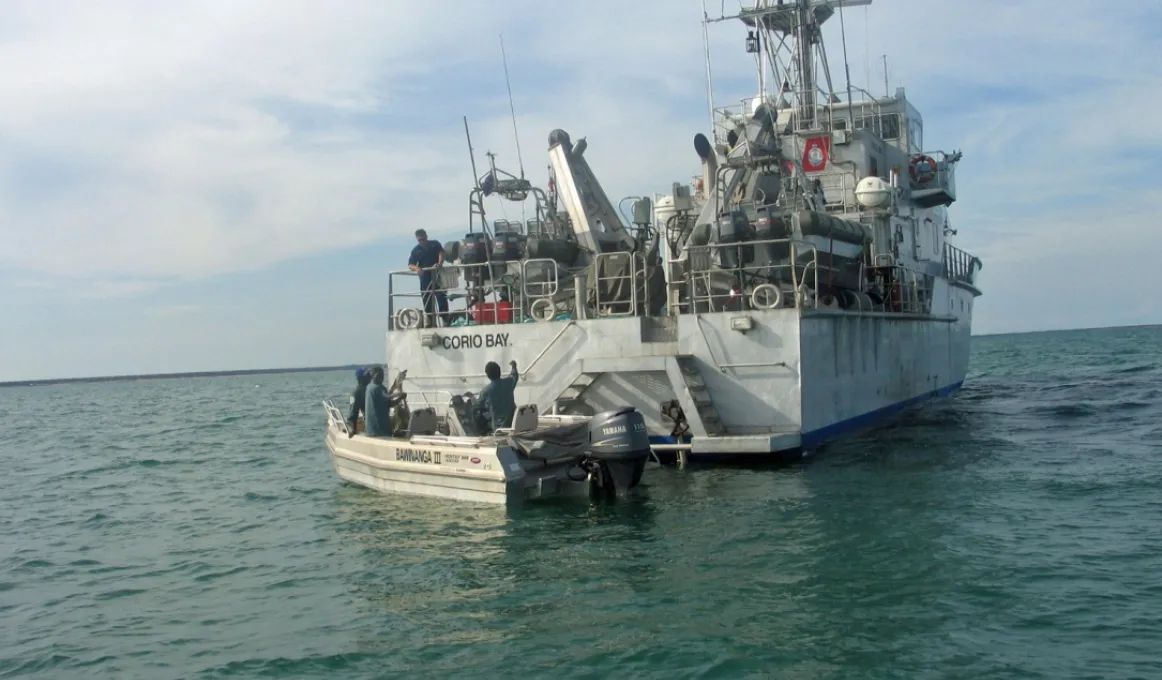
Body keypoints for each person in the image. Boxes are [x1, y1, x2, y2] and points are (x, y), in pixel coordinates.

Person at [408, 228, 448, 327]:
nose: (422, 241)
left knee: (441, 297)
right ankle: (430, 321)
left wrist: (439, 263)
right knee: (427, 298)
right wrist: (417, 268)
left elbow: (441, 252)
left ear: (426, 236)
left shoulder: (435, 244)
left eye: (423, 239)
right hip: (425, 276)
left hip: (437, 274)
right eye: (420, 240)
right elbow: (410, 264)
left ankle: (445, 320)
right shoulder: (416, 250)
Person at [472, 360, 519, 434]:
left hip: (500, 428)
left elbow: (477, 404)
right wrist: (514, 366)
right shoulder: (509, 382)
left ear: (488, 375)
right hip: (513, 423)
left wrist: (471, 397)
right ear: (499, 372)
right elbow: (514, 375)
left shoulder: (486, 391)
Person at [363, 366, 405, 437]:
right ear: (377, 375)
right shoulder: (376, 388)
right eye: (381, 375)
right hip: (379, 430)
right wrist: (400, 395)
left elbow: (387, 402)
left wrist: (395, 389)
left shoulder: (369, 386)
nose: (382, 377)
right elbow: (389, 397)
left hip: (370, 430)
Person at [346, 367, 372, 434]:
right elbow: (352, 413)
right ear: (360, 378)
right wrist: (354, 429)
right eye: (367, 375)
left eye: (369, 374)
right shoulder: (355, 393)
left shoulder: (369, 389)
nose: (370, 377)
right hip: (370, 423)